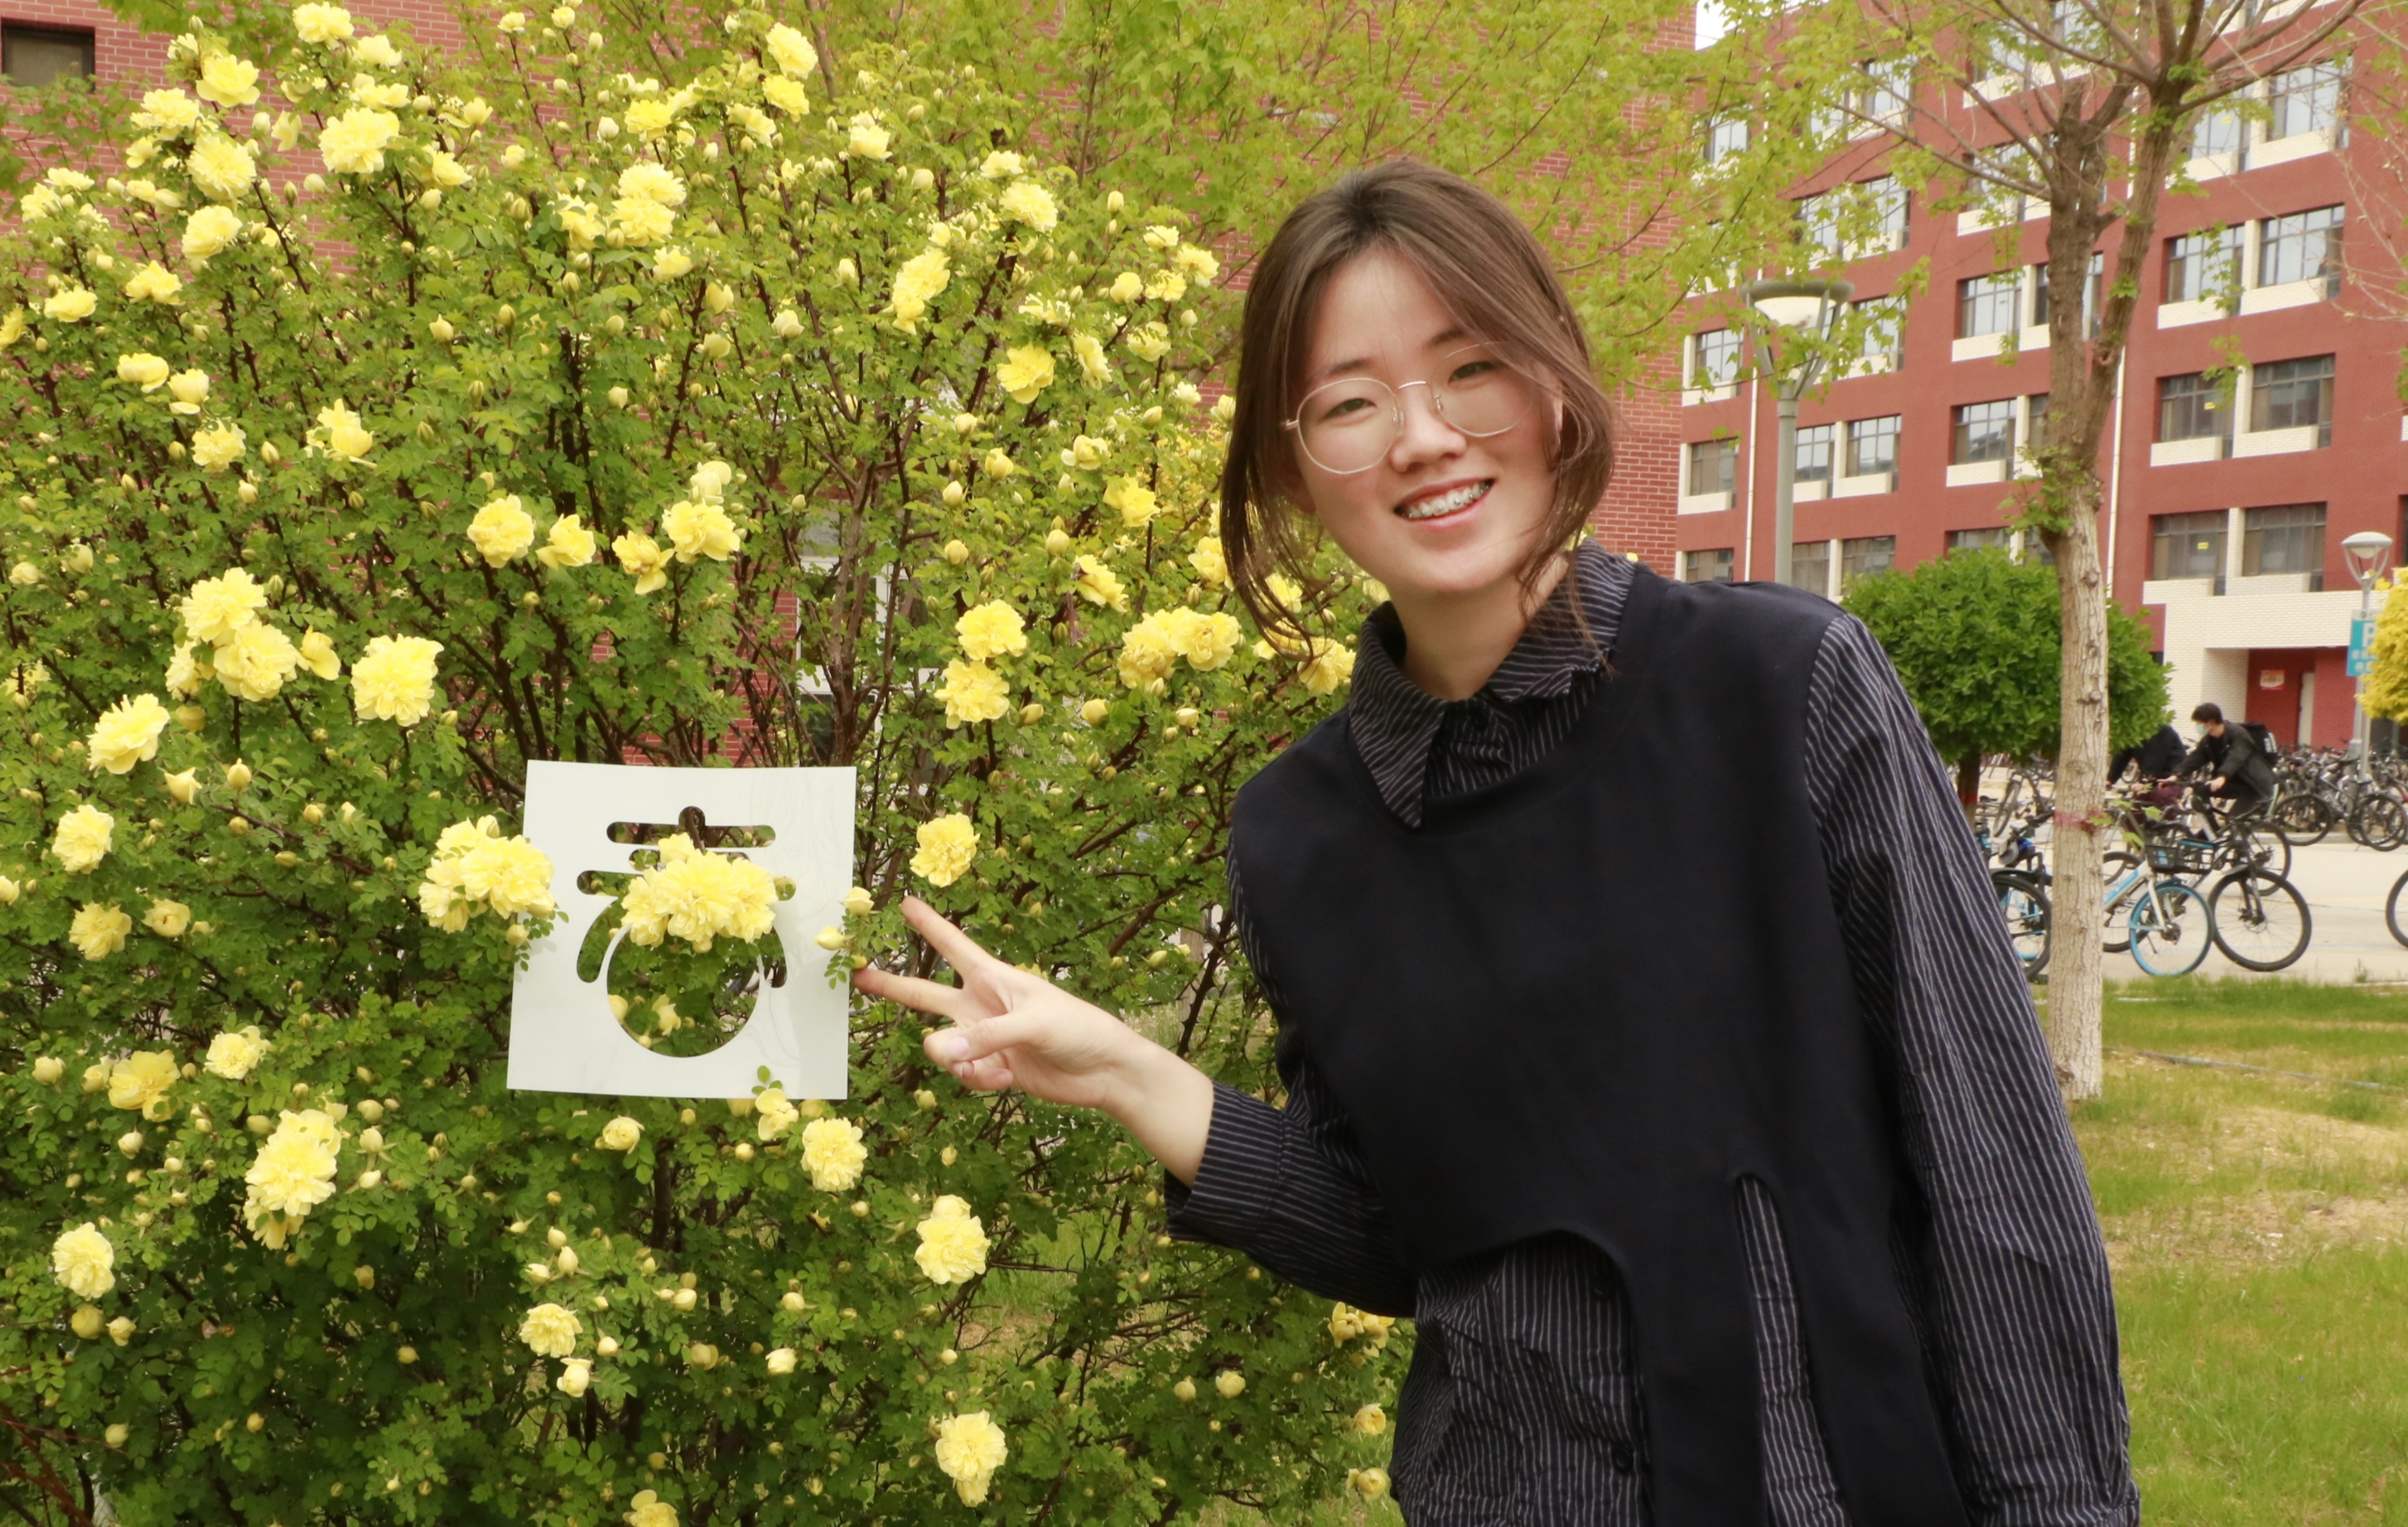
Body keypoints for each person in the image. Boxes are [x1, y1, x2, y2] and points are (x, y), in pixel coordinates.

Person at [855, 162, 2135, 1527]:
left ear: (1552, 385)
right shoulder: (1301, 833)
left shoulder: (1781, 689)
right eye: (1350, 401)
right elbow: (1411, 1237)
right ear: (1292, 467)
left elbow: (1992, 1173)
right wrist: (1130, 1074)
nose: (1421, 437)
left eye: (1469, 368)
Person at [2181, 701, 2274, 819]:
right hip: (2233, 782)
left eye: (2199, 723)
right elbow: (2196, 757)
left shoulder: (2239, 734)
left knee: (2233, 819)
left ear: (2211, 722)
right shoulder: (2209, 741)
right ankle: (2211, 829)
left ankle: (2239, 829)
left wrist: (2222, 776)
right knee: (2201, 792)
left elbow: (2236, 757)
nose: (2197, 726)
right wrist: (2176, 774)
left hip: (2253, 785)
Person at [2110, 721, 2186, 784]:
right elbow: (2123, 754)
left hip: (2172, 774)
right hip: (2153, 775)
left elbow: (2155, 757)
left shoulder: (2161, 729)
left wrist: (2144, 780)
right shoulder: (2132, 730)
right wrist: (2111, 779)